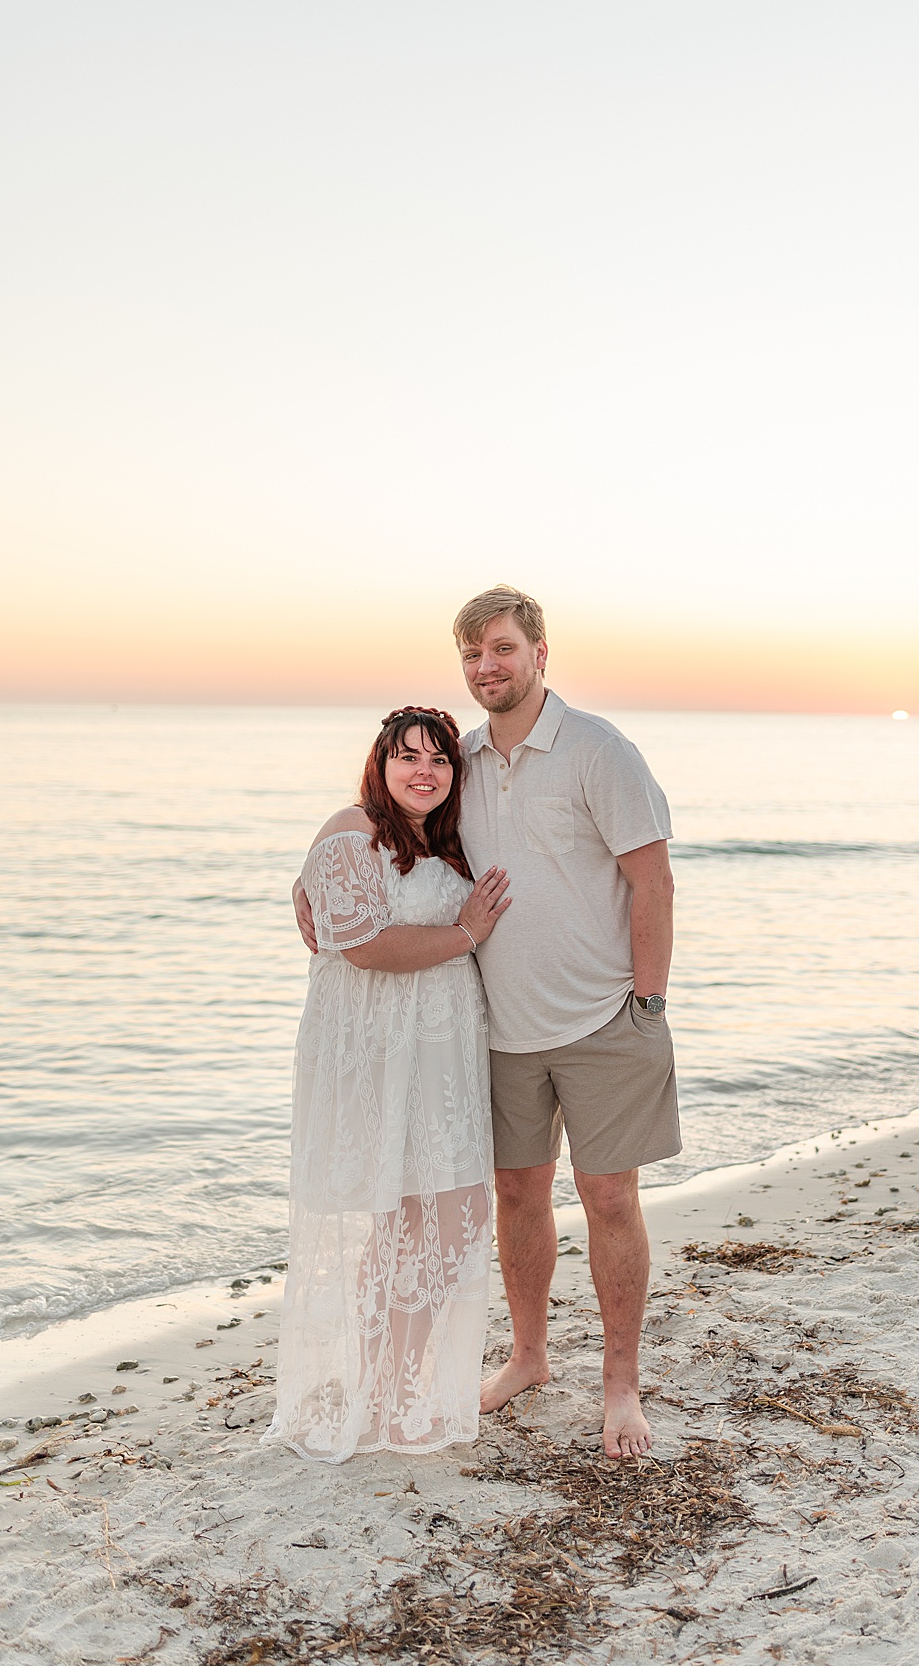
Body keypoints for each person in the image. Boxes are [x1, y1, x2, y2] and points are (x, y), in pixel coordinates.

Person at [296, 586, 678, 1459]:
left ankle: (621, 1387)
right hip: (492, 1033)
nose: (486, 667)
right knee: (514, 1195)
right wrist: (305, 887)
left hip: (601, 1015)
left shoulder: (598, 750)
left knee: (610, 1194)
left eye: (502, 649)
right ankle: (531, 1357)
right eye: (472, 656)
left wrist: (649, 1004)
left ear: (540, 651)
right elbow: (385, 842)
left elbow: (653, 881)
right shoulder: (460, 761)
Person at [266, 707, 514, 1463]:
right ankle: (393, 1390)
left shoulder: (444, 836)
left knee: (435, 1212)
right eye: (407, 757)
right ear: (381, 763)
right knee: (418, 1212)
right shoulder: (352, 827)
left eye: (438, 759)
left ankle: (391, 1385)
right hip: (378, 1055)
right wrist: (468, 933)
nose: (424, 771)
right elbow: (367, 946)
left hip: (440, 1054)